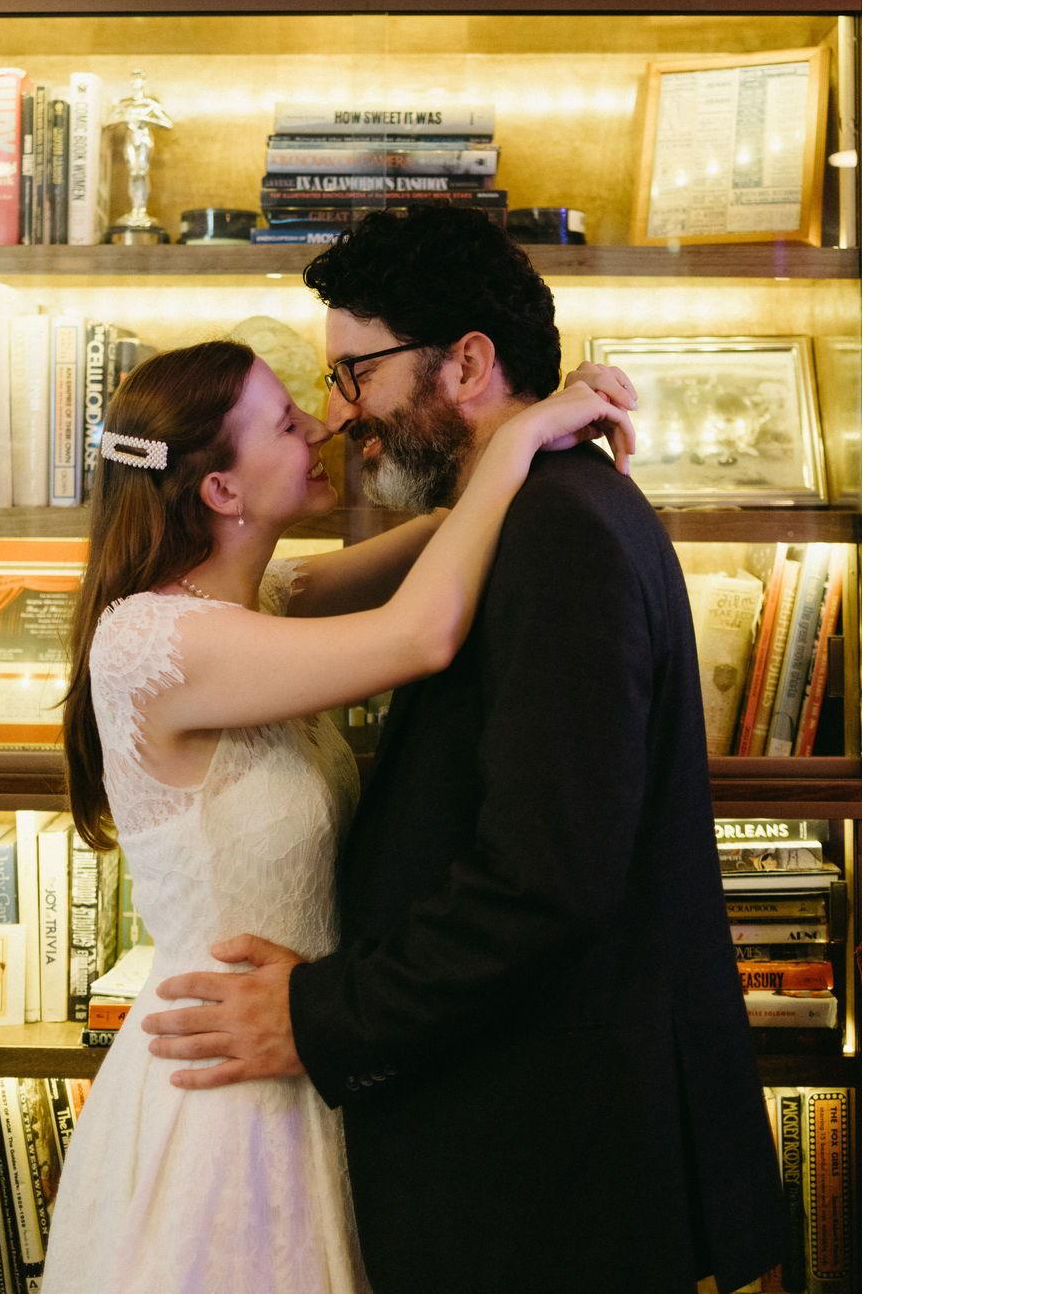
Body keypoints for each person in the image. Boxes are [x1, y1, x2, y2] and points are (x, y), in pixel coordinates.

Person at [142, 207, 787, 1294]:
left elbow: (541, 876)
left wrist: (316, 1014)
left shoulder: (561, 533)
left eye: (355, 374)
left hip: (548, 1175)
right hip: (523, 1148)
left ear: (466, 364)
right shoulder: (527, 511)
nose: (343, 418)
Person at [39, 331, 632, 1294]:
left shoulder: (265, 604)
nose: (323, 423)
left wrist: (522, 428)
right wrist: (525, 440)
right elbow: (421, 631)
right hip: (225, 1080)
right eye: (285, 420)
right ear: (222, 491)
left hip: (311, 1047)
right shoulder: (153, 642)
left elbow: (448, 534)